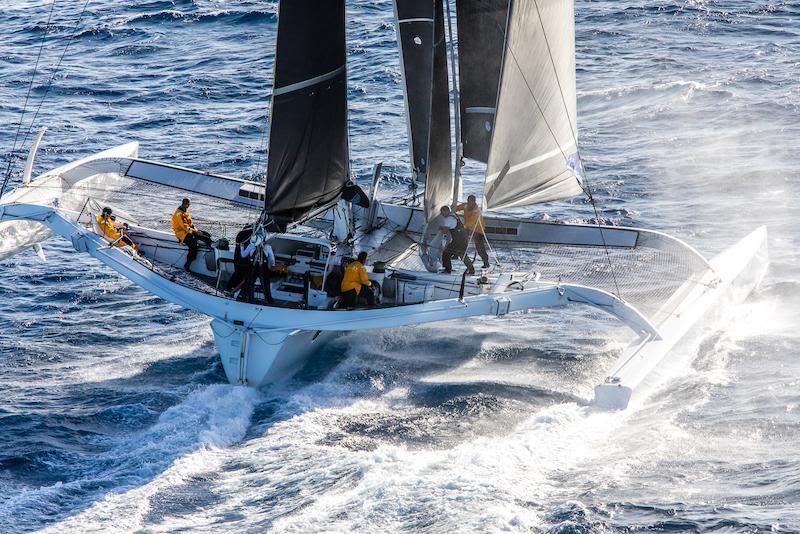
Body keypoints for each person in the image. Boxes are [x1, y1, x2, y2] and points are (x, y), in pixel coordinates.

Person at [171, 198, 212, 270]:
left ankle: (211, 246)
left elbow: (191, 224)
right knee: (193, 243)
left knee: (205, 234)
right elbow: (185, 227)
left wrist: (197, 230)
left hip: (188, 230)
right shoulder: (179, 213)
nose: (189, 205)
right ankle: (187, 264)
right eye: (188, 204)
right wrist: (195, 232)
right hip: (181, 233)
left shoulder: (185, 211)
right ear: (185, 204)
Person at [456, 194, 490, 269]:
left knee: (480, 248)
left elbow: (471, 222)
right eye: (469, 201)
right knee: (459, 239)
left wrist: (463, 226)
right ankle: (456, 254)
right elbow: (458, 208)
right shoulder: (465, 206)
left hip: (478, 230)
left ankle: (486, 262)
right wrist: (453, 210)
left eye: (472, 202)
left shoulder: (476, 210)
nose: (470, 203)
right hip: (469, 228)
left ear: (474, 202)